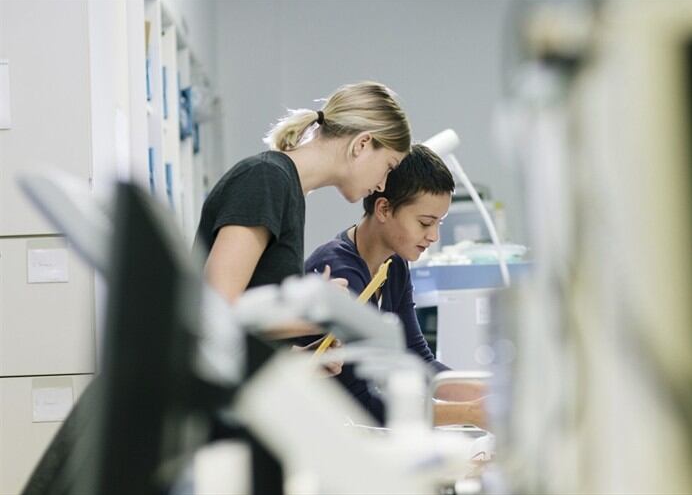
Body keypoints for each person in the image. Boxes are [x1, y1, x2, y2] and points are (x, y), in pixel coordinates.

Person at [305, 144, 487, 427]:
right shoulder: (340, 271)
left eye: (439, 223)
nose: (434, 236)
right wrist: (469, 414)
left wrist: (488, 394)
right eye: (425, 223)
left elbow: (417, 358)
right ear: (384, 208)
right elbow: (357, 403)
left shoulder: (394, 265)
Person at [194, 81, 410, 307]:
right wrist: (304, 308)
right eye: (389, 167)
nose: (382, 185)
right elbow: (216, 307)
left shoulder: (290, 191)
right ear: (362, 144)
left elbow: (252, 324)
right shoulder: (266, 179)